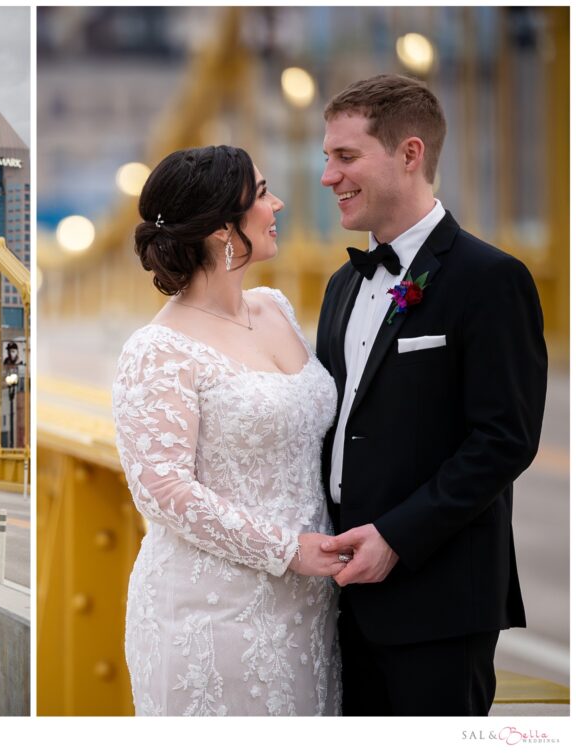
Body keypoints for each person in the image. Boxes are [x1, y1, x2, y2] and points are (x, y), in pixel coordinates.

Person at [315, 74, 548, 715]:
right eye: (326, 158)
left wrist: (396, 536)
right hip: (340, 601)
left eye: (346, 156)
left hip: (439, 599)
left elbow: (505, 440)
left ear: (410, 154)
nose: (328, 176)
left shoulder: (491, 279)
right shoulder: (341, 285)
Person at [112, 145, 347, 716]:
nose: (279, 204)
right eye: (264, 193)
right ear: (224, 228)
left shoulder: (275, 308)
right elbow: (162, 490)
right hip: (212, 613)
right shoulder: (157, 350)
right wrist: (287, 550)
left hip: (312, 605)